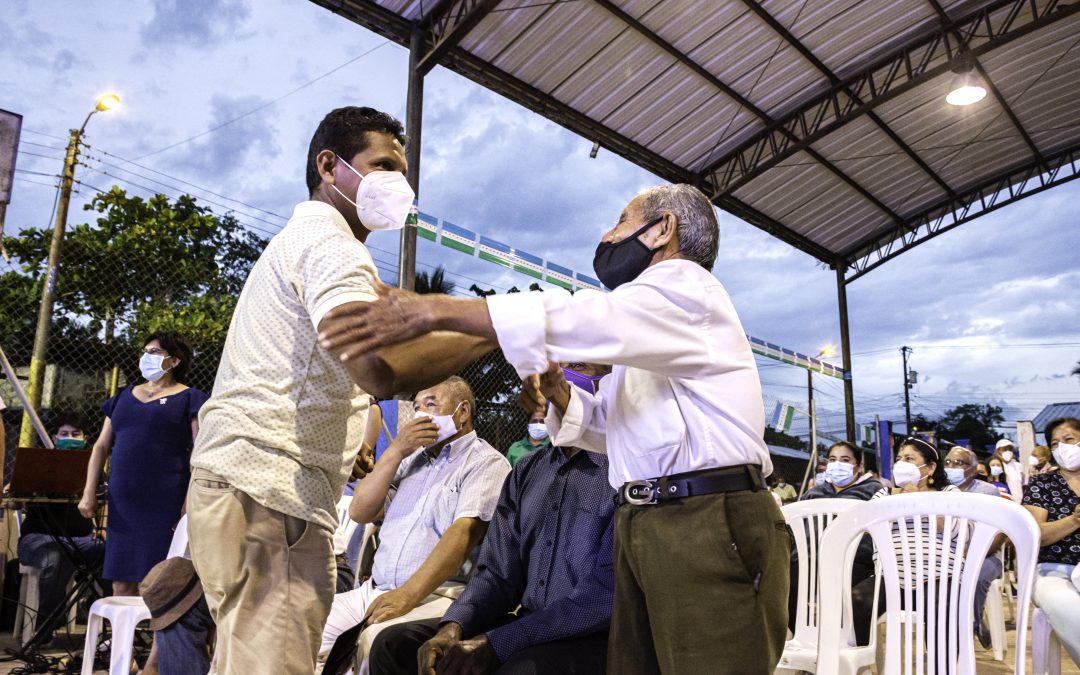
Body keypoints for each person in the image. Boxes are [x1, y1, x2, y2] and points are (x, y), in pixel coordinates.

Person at [318, 183, 789, 674]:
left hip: (707, 519)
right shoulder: (653, 337)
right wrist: (561, 395)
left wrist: (432, 310)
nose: (608, 237)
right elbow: (616, 426)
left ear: (662, 229)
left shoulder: (686, 288)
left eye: (621, 222)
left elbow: (586, 315)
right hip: (655, 520)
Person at [185, 106, 493, 674]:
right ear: (329, 166)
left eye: (403, 175)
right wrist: (498, 327)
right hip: (271, 493)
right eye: (382, 166)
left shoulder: (306, 241)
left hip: (248, 489)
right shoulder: (332, 244)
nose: (397, 186)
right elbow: (378, 368)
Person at [369, 366, 616, 675]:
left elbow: (600, 598)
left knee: (516, 669)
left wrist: (497, 642)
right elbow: (497, 573)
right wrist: (455, 626)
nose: (561, 376)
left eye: (578, 367)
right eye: (558, 365)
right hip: (526, 621)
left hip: (591, 635)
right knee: (395, 645)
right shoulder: (527, 472)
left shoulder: (622, 474)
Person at [319, 377, 509, 672]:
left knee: (375, 640)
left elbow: (463, 536)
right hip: (376, 590)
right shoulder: (412, 461)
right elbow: (360, 510)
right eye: (417, 406)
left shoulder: (485, 462)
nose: (421, 413)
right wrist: (395, 451)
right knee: (304, 623)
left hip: (439, 595)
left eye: (431, 404)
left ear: (462, 412)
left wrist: (407, 596)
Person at [79, 332, 207, 596]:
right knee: (121, 581)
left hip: (166, 501)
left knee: (160, 580)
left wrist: (189, 500)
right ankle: (119, 638)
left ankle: (155, 639)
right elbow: (101, 446)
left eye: (155, 352)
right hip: (123, 503)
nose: (146, 357)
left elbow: (200, 451)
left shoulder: (190, 398)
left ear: (174, 361)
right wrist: (88, 492)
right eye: (145, 351)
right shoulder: (121, 398)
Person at [849, 438, 959, 645]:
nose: (902, 464)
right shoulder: (885, 493)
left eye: (909, 459)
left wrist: (919, 501)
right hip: (891, 575)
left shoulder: (948, 493)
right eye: (899, 459)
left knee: (942, 607)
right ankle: (860, 660)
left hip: (939, 575)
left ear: (931, 467)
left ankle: (941, 666)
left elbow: (956, 529)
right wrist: (895, 502)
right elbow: (867, 527)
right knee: (857, 601)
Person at [17, 414, 105, 637]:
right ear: (54, 438)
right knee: (56, 556)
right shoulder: (39, 464)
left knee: (109, 552)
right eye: (64, 434)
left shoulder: (93, 467)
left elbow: (105, 494)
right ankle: (47, 624)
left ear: (86, 439)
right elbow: (16, 493)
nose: (70, 438)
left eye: (76, 434)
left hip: (80, 540)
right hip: (37, 538)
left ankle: (101, 613)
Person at [789, 442, 884, 644]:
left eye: (845, 460)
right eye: (832, 460)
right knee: (785, 585)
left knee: (848, 604)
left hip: (854, 561)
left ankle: (845, 650)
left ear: (858, 466)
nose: (837, 464)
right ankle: (804, 644)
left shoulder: (873, 491)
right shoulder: (814, 493)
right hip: (807, 561)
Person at [1022, 417, 1080, 666]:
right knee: (1065, 604)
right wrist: (1075, 520)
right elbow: (1035, 535)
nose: (1062, 448)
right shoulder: (1041, 484)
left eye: (1069, 440)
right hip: (1054, 571)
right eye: (1055, 444)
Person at [944, 445, 1008, 647]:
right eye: (947, 463)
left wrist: (973, 553)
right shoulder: (940, 491)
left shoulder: (987, 492)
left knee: (976, 575)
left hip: (985, 555)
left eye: (958, 463)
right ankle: (950, 626)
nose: (951, 467)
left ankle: (972, 622)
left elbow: (1000, 532)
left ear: (972, 469)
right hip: (947, 557)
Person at [139, 558, 214, 675]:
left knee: (178, 622)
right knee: (174, 624)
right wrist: (151, 664)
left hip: (204, 583)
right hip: (202, 577)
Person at [993, 438, 1024, 503]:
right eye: (1004, 449)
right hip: (1005, 501)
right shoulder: (997, 465)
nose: (1008, 451)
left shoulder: (1018, 466)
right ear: (998, 451)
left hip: (1020, 501)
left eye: (1010, 449)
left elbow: (1023, 484)